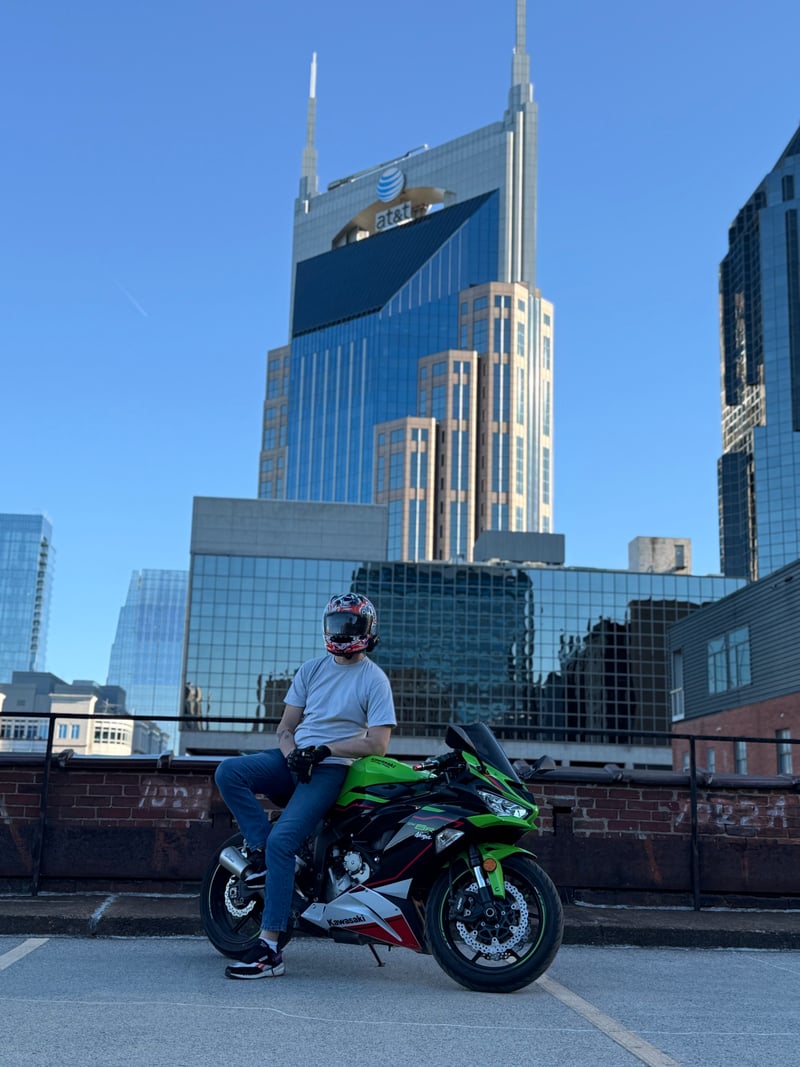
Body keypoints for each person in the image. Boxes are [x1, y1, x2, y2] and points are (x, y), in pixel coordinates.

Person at [214, 592, 396, 979]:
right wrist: (292, 750)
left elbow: (378, 742)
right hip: (294, 759)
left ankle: (269, 950)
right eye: (337, 626)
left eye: (352, 626)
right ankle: (261, 853)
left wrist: (323, 750)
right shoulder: (312, 669)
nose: (344, 633)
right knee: (229, 772)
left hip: (331, 767)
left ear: (367, 630)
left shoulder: (374, 679)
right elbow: (285, 726)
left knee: (286, 841)